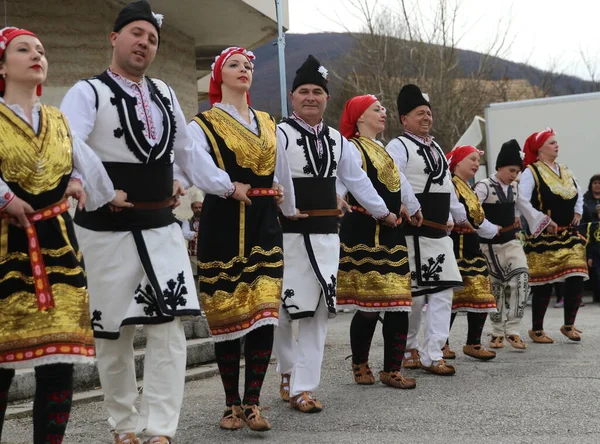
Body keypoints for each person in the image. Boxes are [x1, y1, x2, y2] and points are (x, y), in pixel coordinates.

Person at [60, 2, 202, 443]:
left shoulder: (163, 92)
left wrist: (188, 180)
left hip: (161, 227)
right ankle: (124, 425)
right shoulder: (88, 91)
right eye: (136, 33)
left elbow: (184, 148)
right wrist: (103, 191)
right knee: (112, 333)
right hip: (105, 231)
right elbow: (70, 145)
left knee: (169, 327)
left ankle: (160, 429)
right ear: (115, 38)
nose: (145, 43)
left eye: (153, 38)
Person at [0, 26, 127, 444]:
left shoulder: (57, 120)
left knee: (59, 363)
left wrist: (78, 181)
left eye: (41, 49)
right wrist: (3, 198)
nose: (37, 55)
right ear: (2, 65)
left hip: (58, 248)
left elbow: (91, 173)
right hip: (6, 251)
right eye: (23, 49)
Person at [178, 47, 301, 432]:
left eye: (248, 65)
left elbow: (281, 171)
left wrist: (285, 198)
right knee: (228, 316)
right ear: (219, 76)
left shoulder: (268, 122)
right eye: (234, 65)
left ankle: (253, 403)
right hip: (223, 224)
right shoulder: (203, 124)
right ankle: (230, 403)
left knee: (266, 314)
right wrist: (227, 187)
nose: (244, 70)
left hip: (265, 224)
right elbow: (194, 166)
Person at [274, 55, 399, 413]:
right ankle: (286, 370)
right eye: (303, 91)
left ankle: (303, 387)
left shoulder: (336, 140)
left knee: (316, 312)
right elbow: (269, 175)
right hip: (287, 236)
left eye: (317, 92)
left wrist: (384, 212)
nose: (310, 97)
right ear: (293, 96)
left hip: (327, 236)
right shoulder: (278, 134)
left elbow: (357, 180)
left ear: (327, 98)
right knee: (283, 311)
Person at [336, 95, 422, 389]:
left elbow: (399, 181)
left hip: (391, 229)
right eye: (377, 109)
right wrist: (380, 211)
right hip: (363, 229)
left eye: (383, 109)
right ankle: (360, 362)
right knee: (370, 305)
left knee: (399, 303)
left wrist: (413, 205)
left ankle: (391, 369)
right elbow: (347, 185)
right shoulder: (350, 147)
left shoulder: (383, 149)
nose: (383, 113)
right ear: (360, 117)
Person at [385, 84, 465, 376]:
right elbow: (396, 179)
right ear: (404, 118)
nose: (426, 118)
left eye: (429, 113)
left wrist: (459, 214)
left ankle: (434, 354)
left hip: (438, 234)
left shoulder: (437, 147)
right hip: (412, 232)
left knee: (444, 293)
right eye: (420, 113)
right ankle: (408, 348)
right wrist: (413, 205)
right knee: (415, 297)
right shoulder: (398, 146)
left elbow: (446, 185)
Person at [519, 128, 588, 343]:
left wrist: (578, 211)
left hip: (568, 233)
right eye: (551, 143)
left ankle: (569, 325)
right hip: (544, 237)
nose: (556, 145)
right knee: (544, 282)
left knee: (576, 275)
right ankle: (536, 329)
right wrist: (543, 221)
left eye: (556, 142)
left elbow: (577, 192)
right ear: (539, 149)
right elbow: (522, 200)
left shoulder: (565, 169)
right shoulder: (532, 171)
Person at [444, 146, 498, 360]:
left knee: (482, 294)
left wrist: (496, 230)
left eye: (477, 160)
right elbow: (448, 214)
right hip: (454, 248)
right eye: (472, 159)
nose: (476, 163)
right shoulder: (449, 185)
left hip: (472, 249)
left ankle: (473, 343)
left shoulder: (469, 188)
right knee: (450, 300)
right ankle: (441, 344)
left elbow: (478, 221)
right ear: (457, 163)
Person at [474, 139, 529, 350]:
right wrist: (487, 226)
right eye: (511, 170)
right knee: (495, 287)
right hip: (489, 244)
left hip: (511, 241)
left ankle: (513, 329)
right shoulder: (484, 186)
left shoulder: (514, 187)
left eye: (517, 171)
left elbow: (517, 206)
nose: (514, 175)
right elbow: (473, 210)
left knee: (522, 279)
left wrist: (516, 217)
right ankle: (496, 331)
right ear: (499, 167)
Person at [582, 174, 600, 303]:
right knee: (594, 269)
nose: (597, 185)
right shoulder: (584, 200)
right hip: (590, 238)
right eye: (595, 183)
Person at [181, 196, 202, 292]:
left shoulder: (208, 221)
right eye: (196, 207)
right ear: (192, 208)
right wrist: (198, 234)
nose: (198, 210)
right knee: (194, 277)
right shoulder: (187, 222)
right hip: (194, 255)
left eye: (200, 207)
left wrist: (193, 234)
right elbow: (185, 234)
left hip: (207, 255)